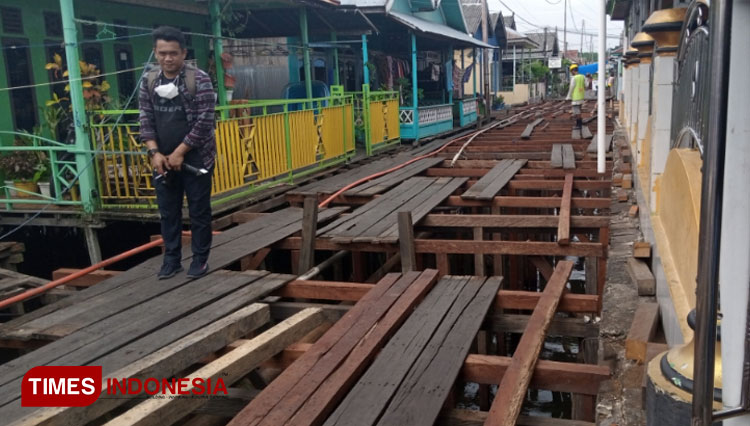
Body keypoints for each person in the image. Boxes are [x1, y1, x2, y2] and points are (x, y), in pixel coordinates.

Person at [138, 26, 217, 279]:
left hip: (196, 157)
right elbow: (145, 119)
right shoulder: (149, 80)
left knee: (198, 210)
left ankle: (200, 260)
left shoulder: (199, 79)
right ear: (155, 52)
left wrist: (181, 151)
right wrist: (155, 153)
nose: (167, 58)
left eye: (173, 53)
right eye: (162, 53)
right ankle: (171, 259)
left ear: (183, 53)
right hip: (162, 158)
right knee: (168, 210)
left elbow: (205, 121)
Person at [566, 64, 585, 129]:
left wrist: (568, 96)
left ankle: (579, 125)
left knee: (577, 111)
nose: (571, 73)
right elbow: (586, 86)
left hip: (575, 97)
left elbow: (571, 88)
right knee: (579, 110)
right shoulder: (583, 76)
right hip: (581, 96)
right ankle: (579, 123)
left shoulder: (574, 78)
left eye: (571, 71)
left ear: (573, 71)